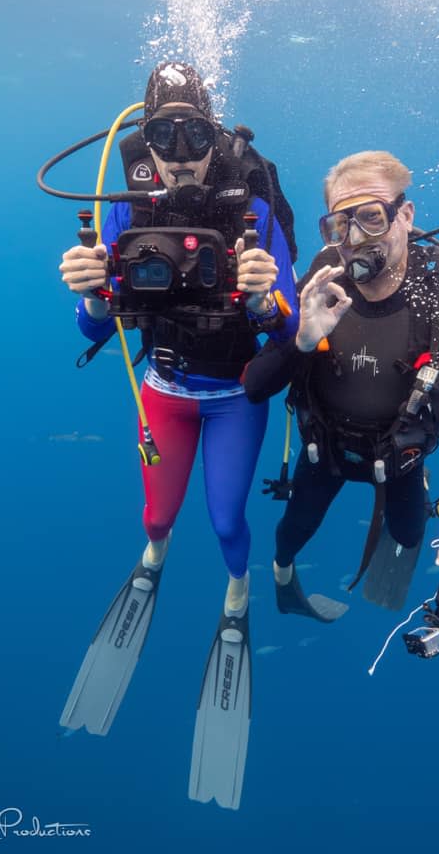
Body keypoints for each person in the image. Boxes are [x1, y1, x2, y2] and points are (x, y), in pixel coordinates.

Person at [57, 61, 298, 808]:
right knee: (158, 518)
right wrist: (91, 296)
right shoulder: (124, 197)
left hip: (233, 393)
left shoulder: (252, 195)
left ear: (216, 134)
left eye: (197, 133)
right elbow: (96, 321)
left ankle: (237, 594)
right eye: (165, 134)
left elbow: (289, 324)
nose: (183, 151)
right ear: (145, 139)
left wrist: (264, 298)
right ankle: (154, 555)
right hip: (162, 387)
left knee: (228, 522)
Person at [243, 150, 439, 621]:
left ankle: (413, 494)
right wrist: (301, 341)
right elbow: (254, 387)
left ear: (405, 216)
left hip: (401, 457)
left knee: (409, 534)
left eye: (371, 217)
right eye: (338, 225)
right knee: (289, 536)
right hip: (324, 449)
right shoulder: (325, 279)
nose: (353, 240)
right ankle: (287, 584)